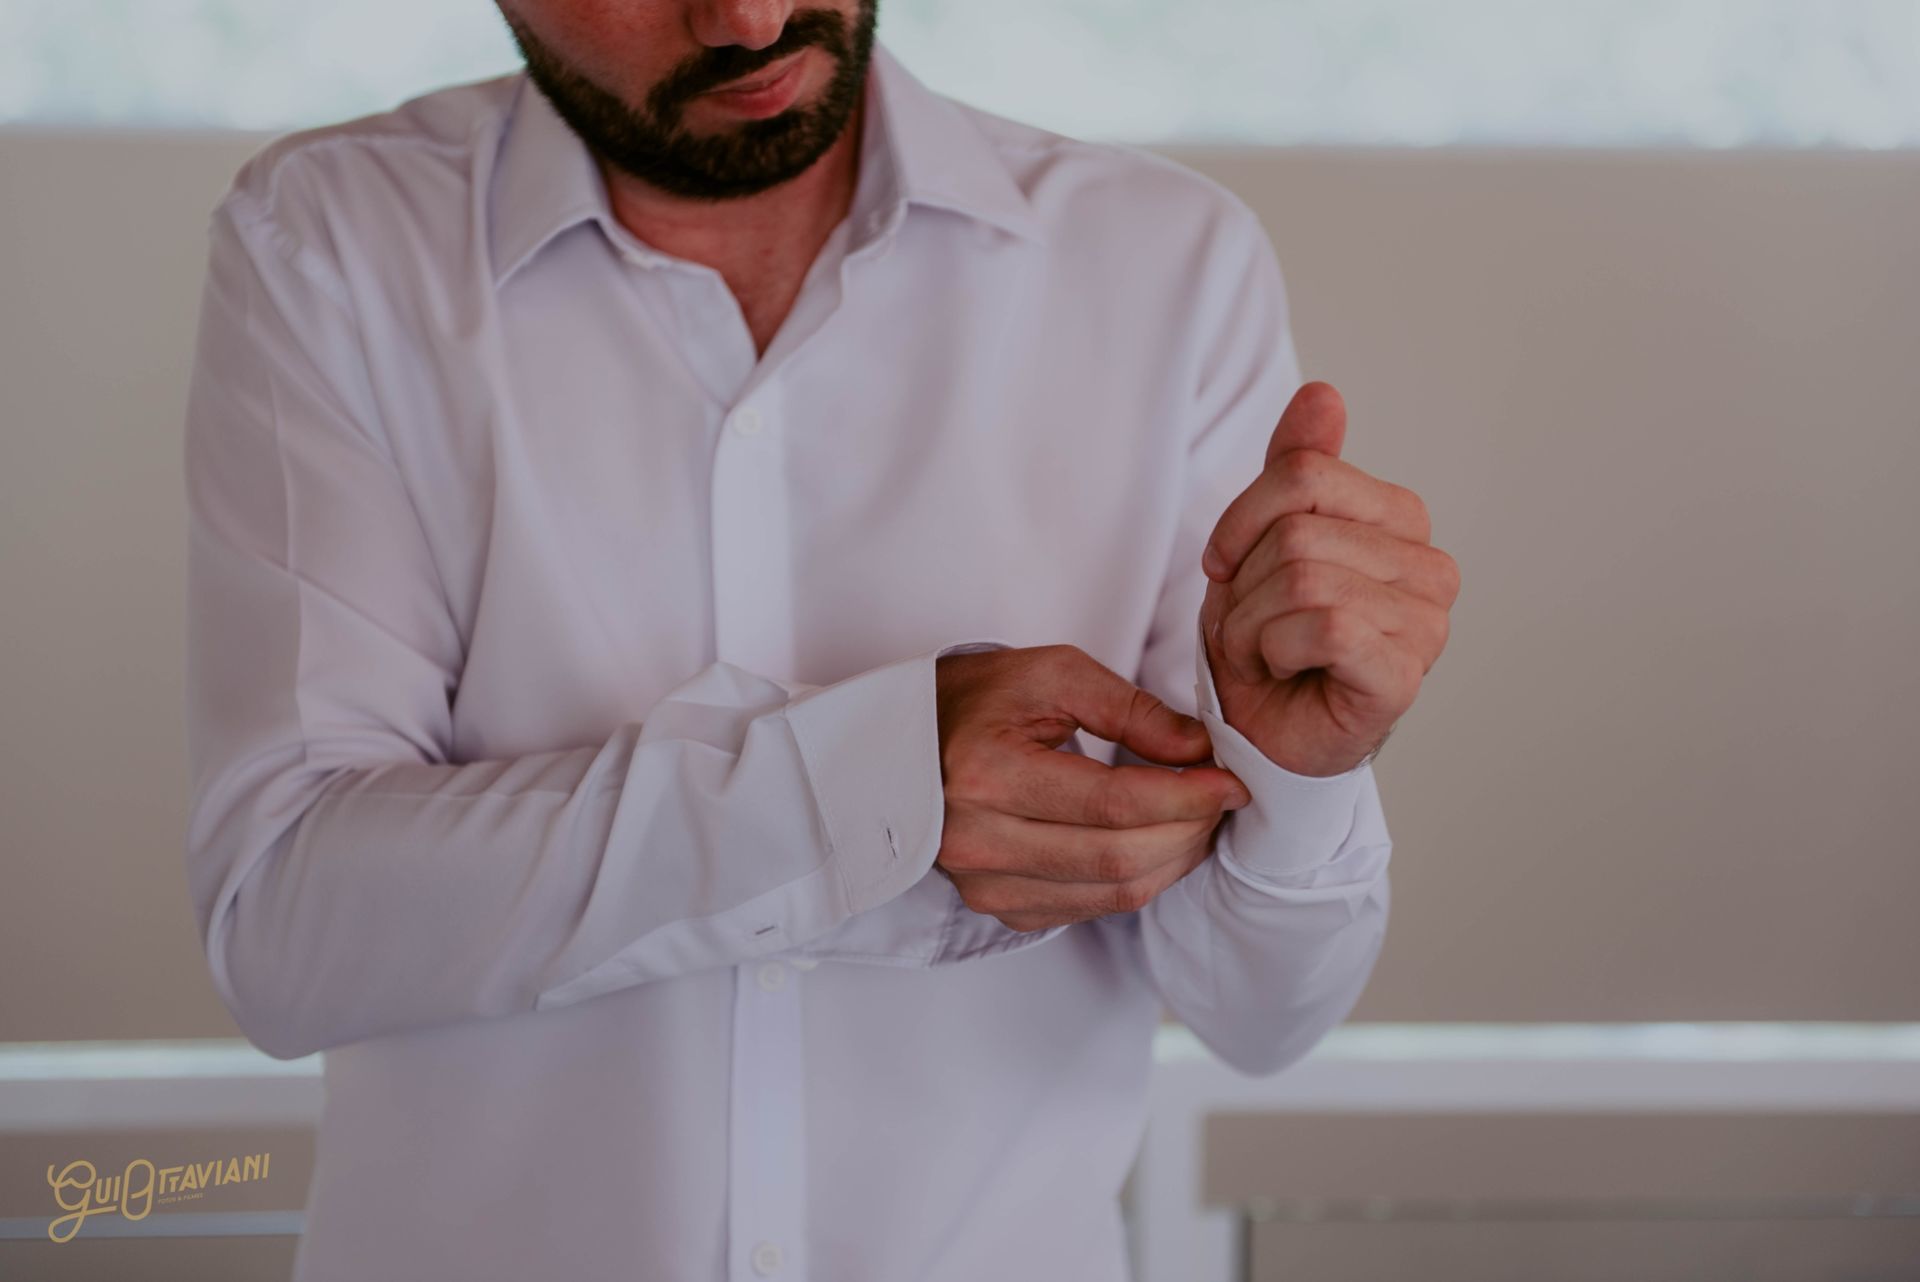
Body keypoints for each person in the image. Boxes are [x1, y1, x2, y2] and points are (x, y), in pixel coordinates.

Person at [180, 1, 1458, 1278]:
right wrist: (865, 787)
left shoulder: (1166, 265)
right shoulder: (332, 245)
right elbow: (288, 922)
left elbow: (1262, 1015)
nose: (748, 15)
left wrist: (1294, 776)